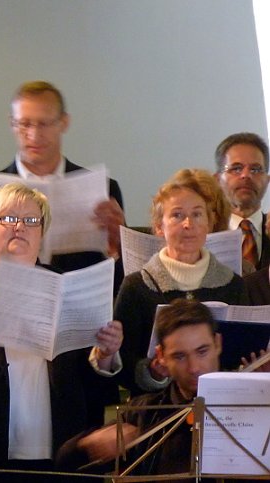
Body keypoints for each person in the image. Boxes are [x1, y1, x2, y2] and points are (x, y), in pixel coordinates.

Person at [0, 183, 123, 483]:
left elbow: (89, 379)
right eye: (8, 218)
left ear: (42, 234)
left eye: (31, 221)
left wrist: (105, 354)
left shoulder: (69, 289)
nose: (20, 227)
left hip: (61, 448)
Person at [0, 81, 124, 283]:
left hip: (80, 298)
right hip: (3, 298)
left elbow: (124, 282)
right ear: (12, 124)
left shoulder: (104, 190)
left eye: (44, 124)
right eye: (25, 124)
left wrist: (118, 246)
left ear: (64, 122)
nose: (34, 135)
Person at [58, 299, 244, 480]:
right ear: (161, 356)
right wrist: (89, 443)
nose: (193, 367)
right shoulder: (144, 412)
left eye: (202, 351)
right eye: (179, 356)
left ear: (218, 343)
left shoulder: (248, 406)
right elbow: (64, 462)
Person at [115, 169, 245, 397]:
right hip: (158, 410)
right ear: (159, 226)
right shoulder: (137, 286)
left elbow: (239, 354)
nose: (188, 224)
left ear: (210, 223)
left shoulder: (233, 284)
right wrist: (153, 373)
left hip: (221, 405)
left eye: (197, 214)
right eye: (177, 215)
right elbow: (122, 365)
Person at [214, 132, 270, 271]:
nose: (246, 175)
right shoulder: (205, 235)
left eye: (255, 169)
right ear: (217, 180)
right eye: (236, 168)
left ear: (267, 180)